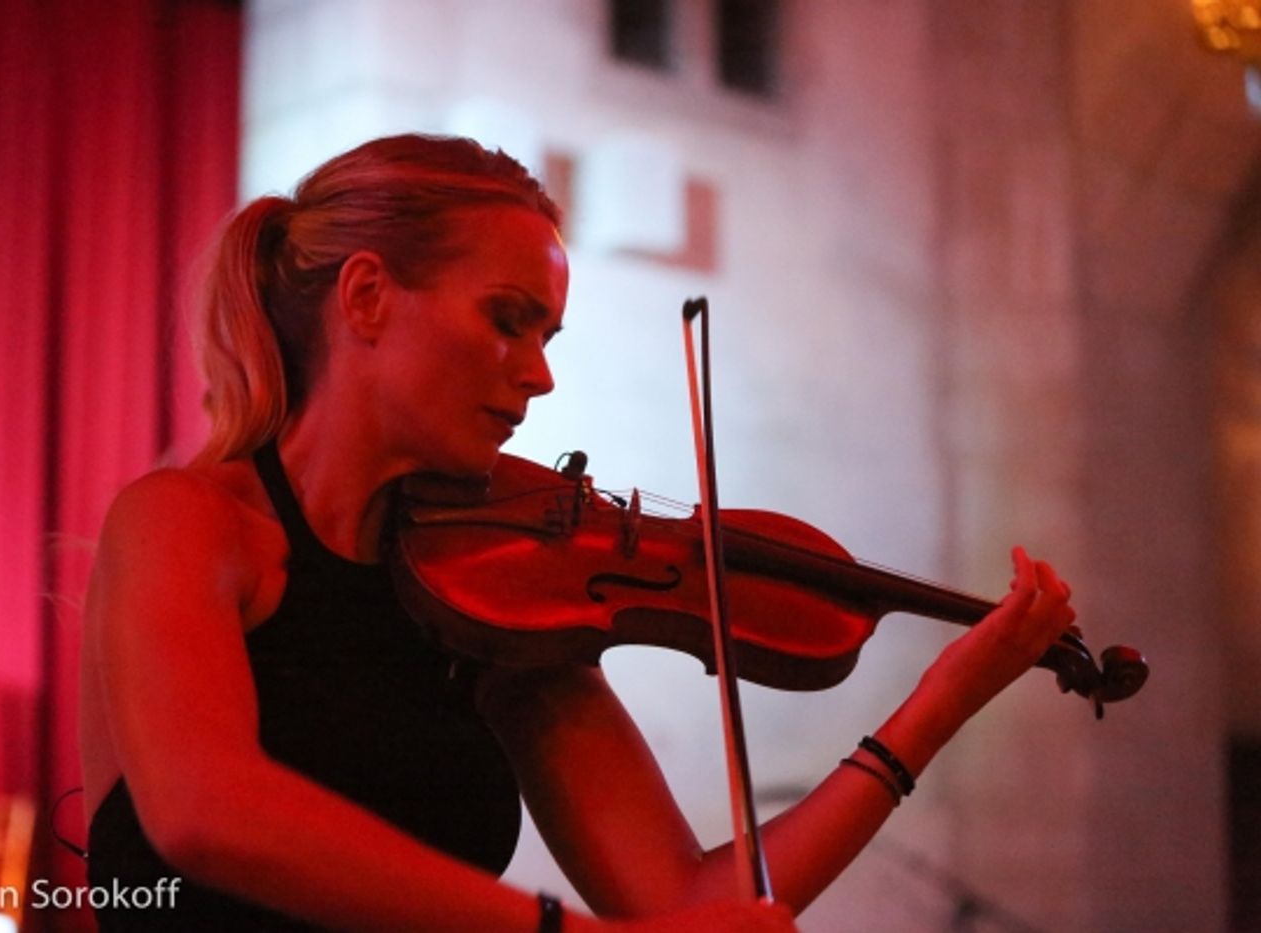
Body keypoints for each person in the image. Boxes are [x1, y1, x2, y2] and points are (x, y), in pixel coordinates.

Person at [78, 133, 1077, 932]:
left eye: (545, 336)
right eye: (506, 319)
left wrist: (933, 708)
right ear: (368, 297)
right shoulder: (187, 523)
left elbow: (686, 906)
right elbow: (206, 813)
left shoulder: (489, 600)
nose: (537, 373)